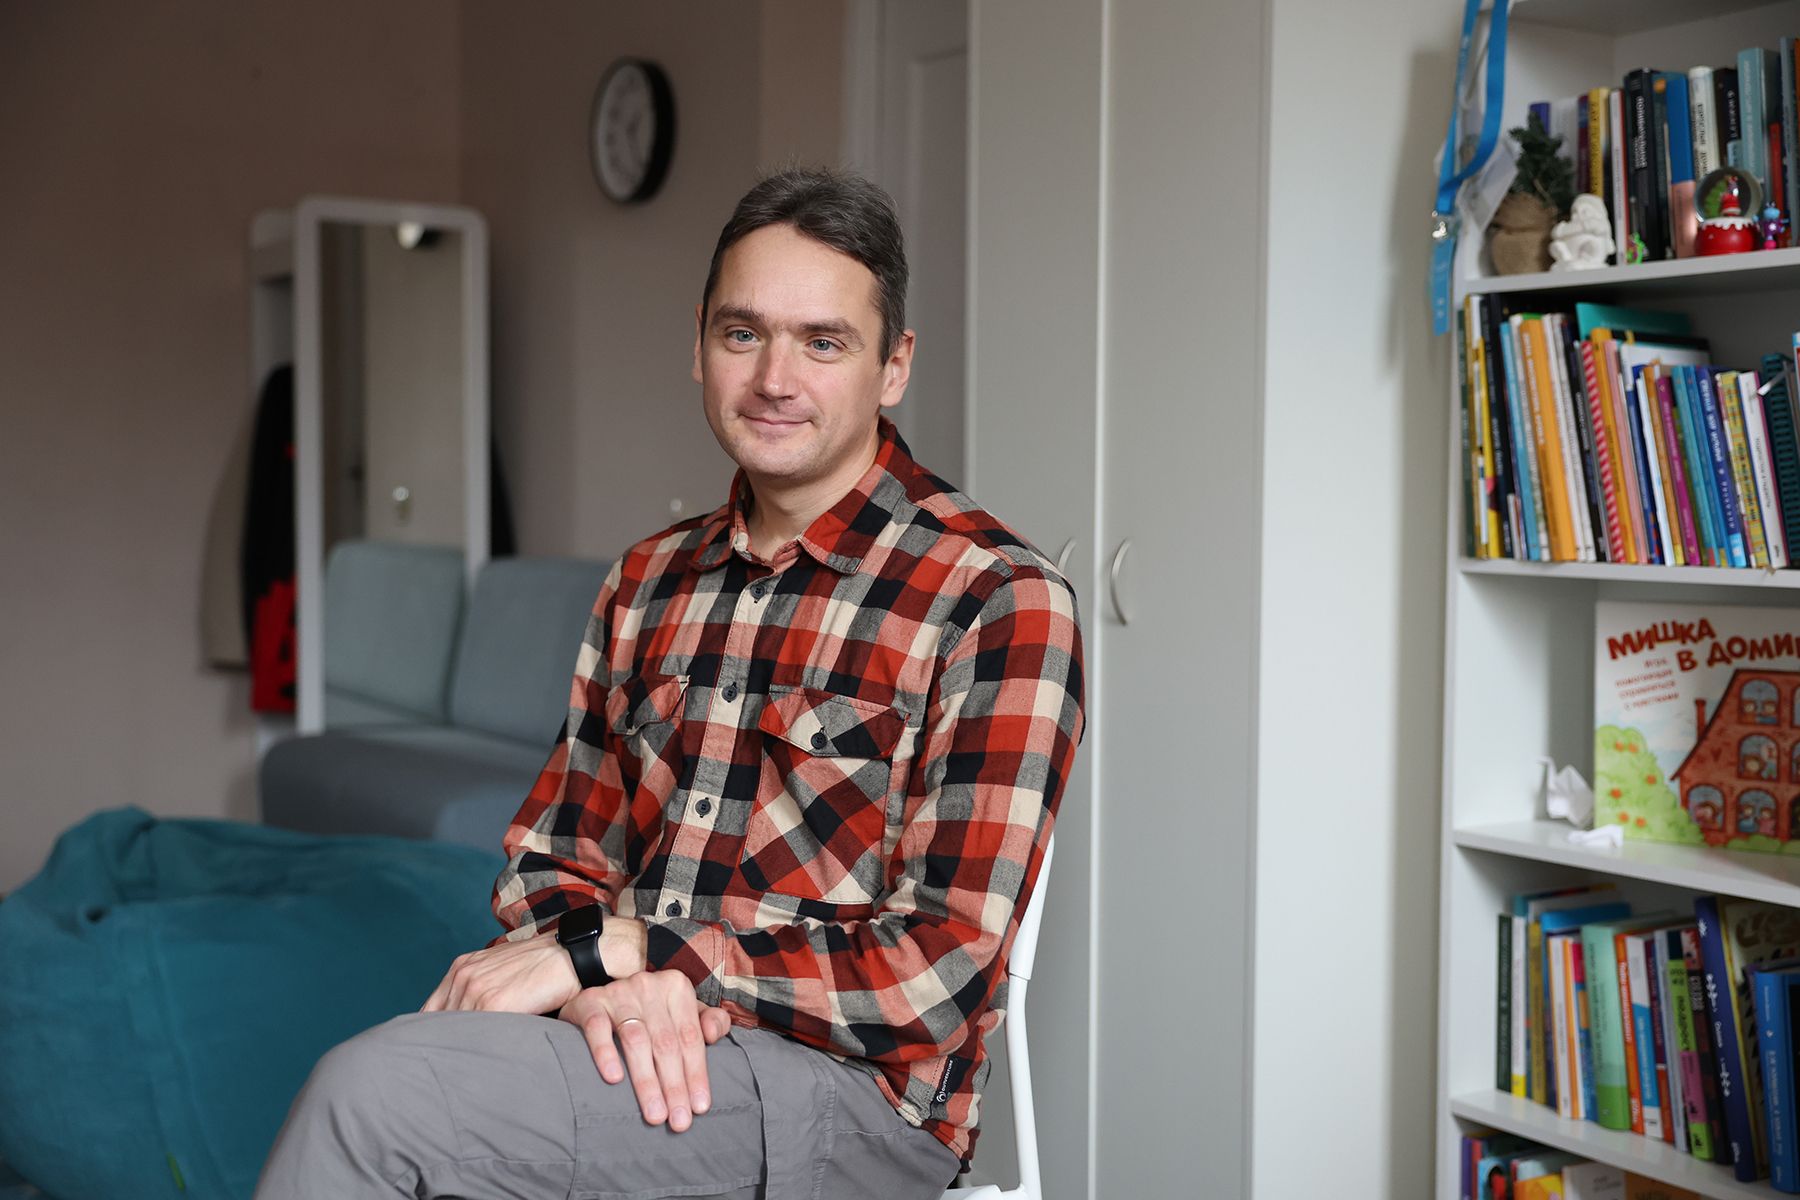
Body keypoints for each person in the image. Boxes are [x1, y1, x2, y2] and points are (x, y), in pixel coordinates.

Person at [256, 167, 1084, 1200]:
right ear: (698, 345)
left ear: (894, 366)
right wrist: (599, 981)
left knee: (376, 1099)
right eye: (744, 334)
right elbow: (553, 861)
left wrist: (635, 952)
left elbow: (937, 975)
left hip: (853, 1100)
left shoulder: (997, 598)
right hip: (637, 1045)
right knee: (417, 1085)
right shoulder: (646, 580)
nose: (775, 378)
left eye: (823, 342)